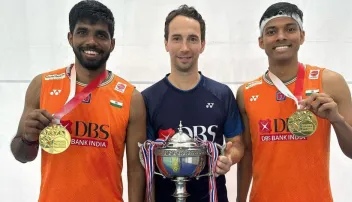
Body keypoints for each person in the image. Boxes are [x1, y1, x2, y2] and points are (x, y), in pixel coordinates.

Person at [10, 1, 146, 202]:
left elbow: (136, 171)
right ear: (70, 37)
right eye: (83, 32)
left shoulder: (130, 97)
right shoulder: (42, 85)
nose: (91, 41)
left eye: (101, 35)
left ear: (112, 43)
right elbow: (22, 155)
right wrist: (28, 138)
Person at [236, 2, 352, 202]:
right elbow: (247, 155)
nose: (281, 36)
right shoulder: (246, 93)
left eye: (290, 29)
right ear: (261, 42)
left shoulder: (329, 82)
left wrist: (337, 120)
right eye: (272, 31)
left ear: (302, 36)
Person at [141, 4, 245, 202]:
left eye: (192, 39)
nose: (185, 48)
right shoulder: (148, 99)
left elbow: (238, 143)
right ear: (166, 44)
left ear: (203, 44)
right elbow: (143, 159)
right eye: (177, 38)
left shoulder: (222, 94)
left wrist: (229, 158)